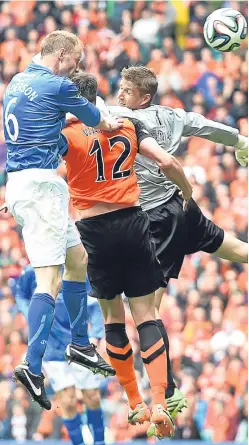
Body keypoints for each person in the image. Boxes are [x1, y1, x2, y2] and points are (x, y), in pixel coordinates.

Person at [97, 65, 248, 413]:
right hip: (184, 207)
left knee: (147, 313)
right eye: (119, 89)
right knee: (237, 250)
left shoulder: (121, 117)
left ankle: (169, 393)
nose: (120, 95)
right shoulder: (174, 116)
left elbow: (93, 112)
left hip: (158, 220)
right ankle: (168, 388)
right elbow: (205, 127)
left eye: (127, 91)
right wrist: (241, 141)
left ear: (144, 97)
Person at [62, 71, 193, 440]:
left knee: (112, 320)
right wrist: (186, 192)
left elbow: (45, 167)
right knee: (147, 315)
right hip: (134, 223)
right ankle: (160, 404)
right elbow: (167, 162)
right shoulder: (128, 123)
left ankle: (135, 402)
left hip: (95, 232)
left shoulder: (67, 132)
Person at [3, 30, 122, 410]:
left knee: (77, 260)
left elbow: (41, 134)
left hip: (25, 183)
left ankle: (80, 343)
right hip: (39, 187)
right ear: (62, 55)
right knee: (49, 280)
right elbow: (99, 121)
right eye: (76, 60)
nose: (78, 67)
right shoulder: (57, 85)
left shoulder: (19, 79)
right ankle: (32, 365)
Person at [15, 265, 106, 445]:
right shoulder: (31, 271)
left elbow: (94, 304)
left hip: (79, 344)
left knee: (92, 396)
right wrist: (30, 314)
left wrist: (97, 334)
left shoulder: (77, 265)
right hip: (52, 348)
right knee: (68, 400)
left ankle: (100, 442)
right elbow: (20, 295)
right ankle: (78, 443)